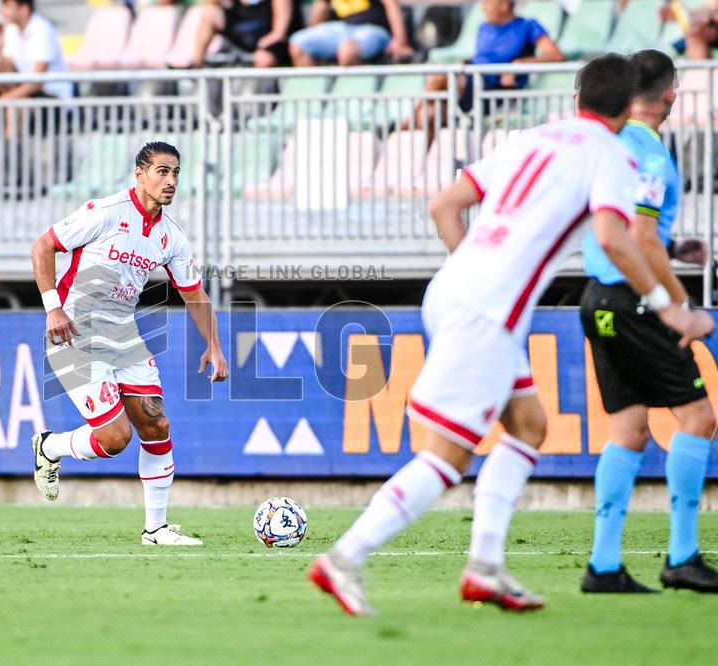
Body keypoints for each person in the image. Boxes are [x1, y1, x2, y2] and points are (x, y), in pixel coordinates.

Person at [307, 53, 714, 616]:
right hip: (487, 312)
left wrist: (474, 268)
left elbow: (446, 205)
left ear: (576, 100)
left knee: (529, 425)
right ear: (626, 109)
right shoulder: (612, 154)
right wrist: (673, 308)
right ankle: (345, 558)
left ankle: (486, 567)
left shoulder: (530, 138)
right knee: (448, 457)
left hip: (455, 289)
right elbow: (618, 240)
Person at [29, 141, 230, 546]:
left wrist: (214, 345)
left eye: (175, 173)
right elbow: (43, 246)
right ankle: (50, 446)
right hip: (77, 334)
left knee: (156, 423)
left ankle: (155, 529)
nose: (170, 181)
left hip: (124, 337)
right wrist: (53, 307)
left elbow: (194, 293)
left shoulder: (172, 236)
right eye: (162, 171)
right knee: (115, 439)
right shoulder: (105, 213)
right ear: (139, 174)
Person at [580, 49, 718, 595]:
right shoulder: (653, 156)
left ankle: (604, 564)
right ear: (670, 93)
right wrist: (678, 302)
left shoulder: (611, 147)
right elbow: (637, 236)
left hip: (596, 297)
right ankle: (683, 555)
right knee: (699, 418)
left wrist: (670, 245)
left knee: (629, 429)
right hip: (635, 302)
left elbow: (630, 228)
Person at [409, 0, 564, 143]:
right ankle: (419, 163)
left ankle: (408, 120)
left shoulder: (528, 26)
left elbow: (556, 55)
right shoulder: (484, 27)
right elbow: (482, 59)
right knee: (429, 114)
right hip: (467, 86)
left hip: (492, 92)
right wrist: (466, 62)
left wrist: (520, 64)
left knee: (441, 78)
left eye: (488, 2)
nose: (483, 7)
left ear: (504, 4)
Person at [0, 0, 72, 128]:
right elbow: (6, 66)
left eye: (7, 6)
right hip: (26, 92)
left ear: (24, 9)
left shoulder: (42, 29)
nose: (2, 11)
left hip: (52, 98)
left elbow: (36, 84)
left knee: (15, 107)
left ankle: (9, 144)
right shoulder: (11, 29)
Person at [288, 0, 412, 67]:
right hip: (343, 28)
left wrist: (400, 40)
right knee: (297, 43)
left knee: (347, 50)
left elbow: (391, 4)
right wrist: (312, 31)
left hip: (373, 29)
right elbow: (321, 8)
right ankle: (316, 101)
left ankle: (352, 98)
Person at [183, 0, 302, 69]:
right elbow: (214, 4)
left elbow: (279, 32)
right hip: (244, 35)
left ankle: (257, 105)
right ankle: (196, 67)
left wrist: (277, 34)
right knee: (210, 13)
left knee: (263, 58)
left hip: (276, 39)